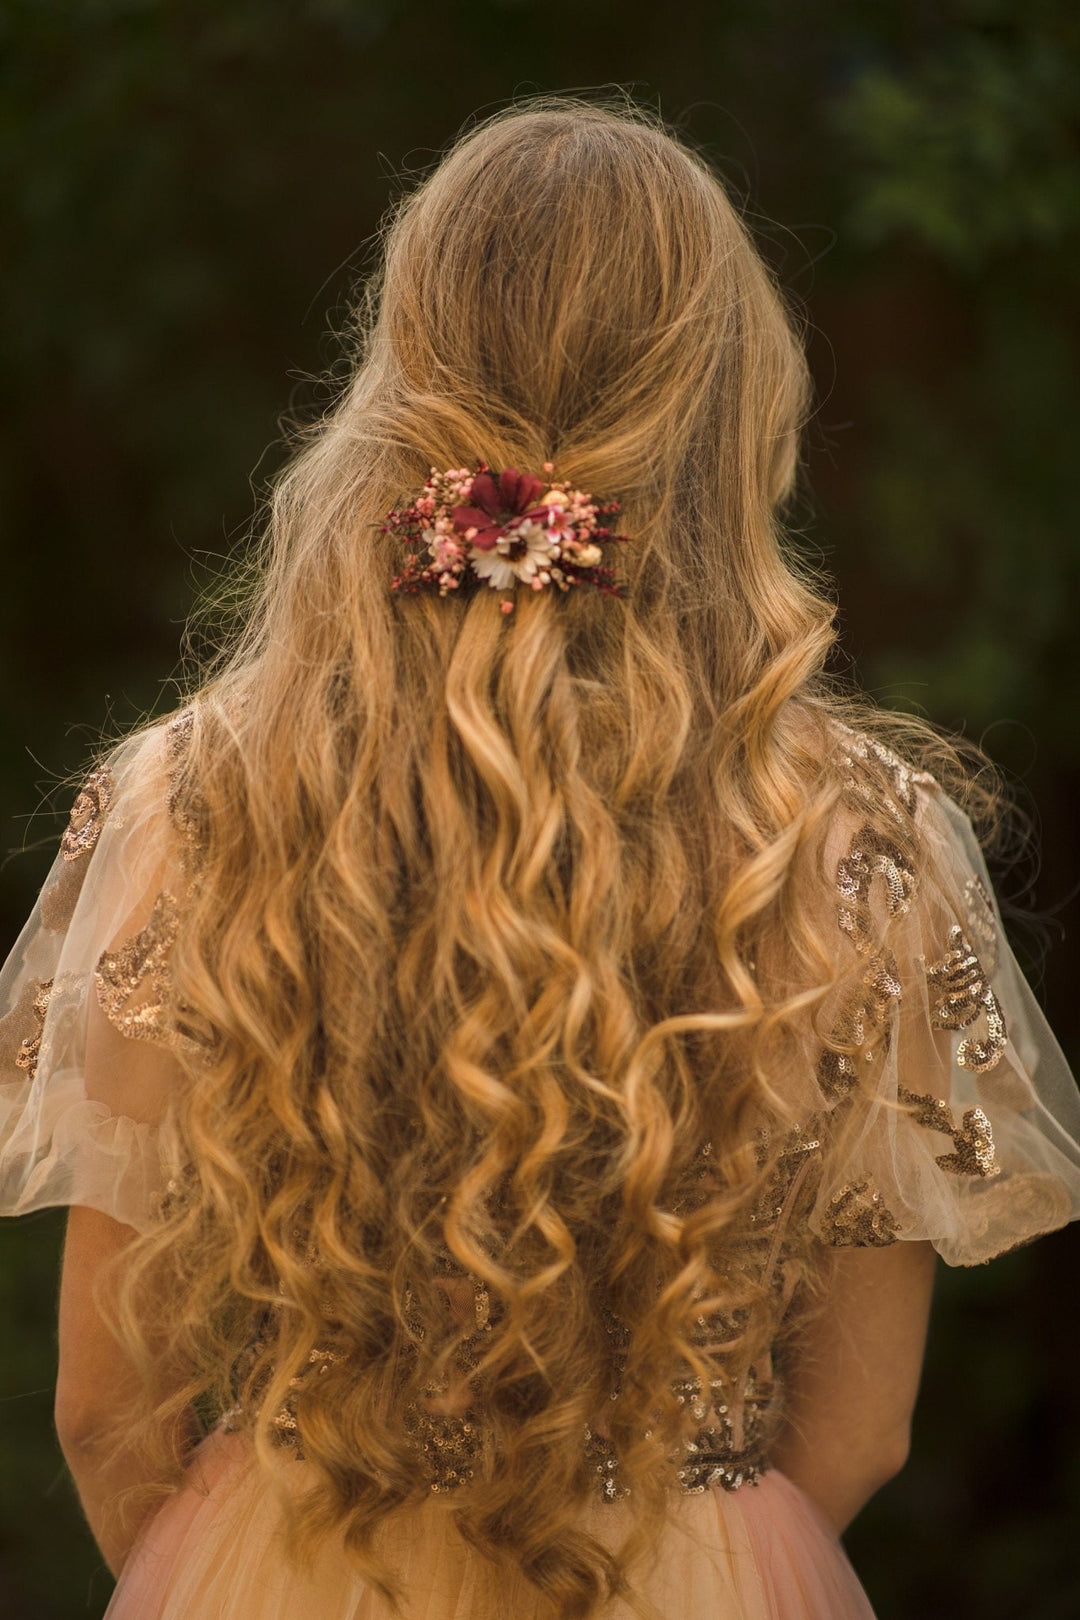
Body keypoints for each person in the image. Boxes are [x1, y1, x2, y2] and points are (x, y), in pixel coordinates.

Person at [2, 93, 1079, 1620]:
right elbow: (863, 1429)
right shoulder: (864, 837)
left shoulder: (196, 800)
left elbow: (105, 1411)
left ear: (401, 369)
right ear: (729, 398)